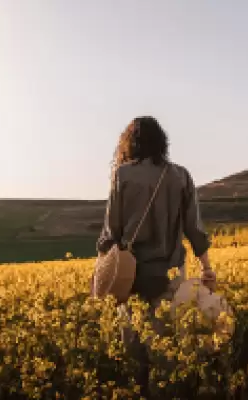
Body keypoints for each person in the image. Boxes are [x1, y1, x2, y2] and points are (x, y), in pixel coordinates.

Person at [96, 115, 216, 395]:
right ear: (162, 142)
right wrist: (206, 267)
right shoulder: (181, 176)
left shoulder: (123, 175)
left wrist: (103, 270)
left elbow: (110, 231)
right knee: (166, 349)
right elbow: (194, 228)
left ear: (129, 143)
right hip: (170, 275)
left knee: (135, 348)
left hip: (131, 276)